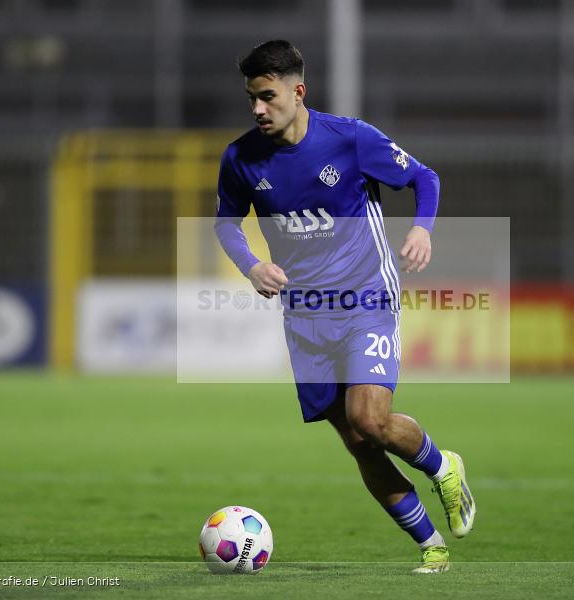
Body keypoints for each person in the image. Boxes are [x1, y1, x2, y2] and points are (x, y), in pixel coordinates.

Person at [214, 40, 475, 574]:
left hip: (366, 300)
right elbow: (225, 220)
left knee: (369, 418)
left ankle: (442, 464)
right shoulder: (241, 158)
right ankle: (431, 545)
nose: (258, 109)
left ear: (297, 91)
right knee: (358, 441)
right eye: (252, 99)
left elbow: (425, 177)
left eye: (267, 96)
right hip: (305, 316)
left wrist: (422, 229)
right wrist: (251, 265)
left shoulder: (350, 139)